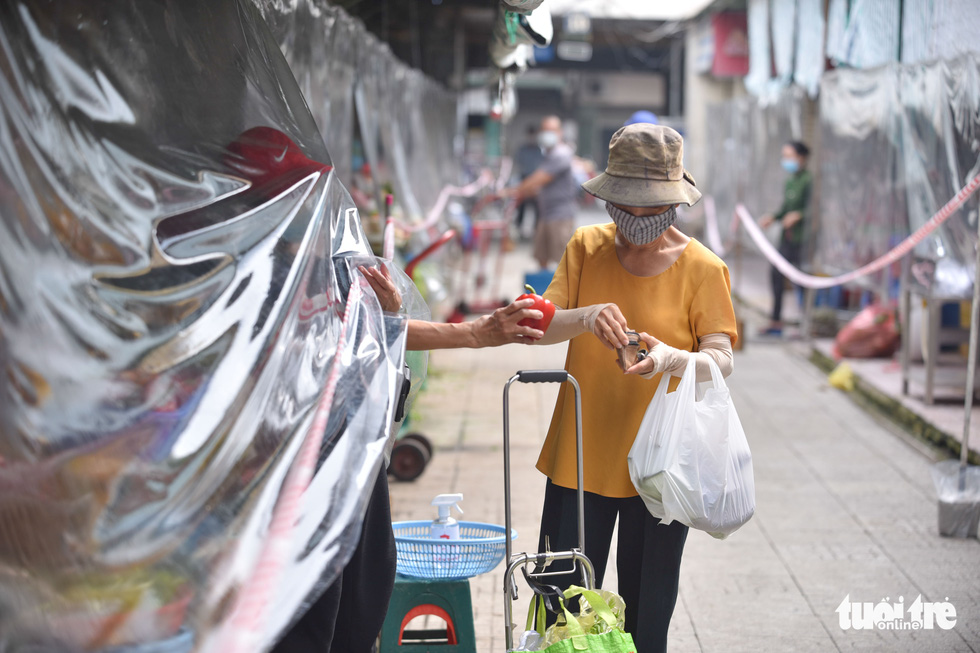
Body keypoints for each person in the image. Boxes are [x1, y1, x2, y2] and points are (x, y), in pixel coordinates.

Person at [526, 124, 738, 653]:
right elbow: (540, 327)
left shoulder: (703, 269)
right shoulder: (585, 247)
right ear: (607, 199)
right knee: (564, 606)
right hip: (580, 453)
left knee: (647, 611)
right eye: (626, 207)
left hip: (661, 466)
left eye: (652, 209)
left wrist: (670, 358)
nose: (638, 221)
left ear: (675, 203)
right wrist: (586, 317)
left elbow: (722, 359)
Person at [271, 271, 544, 653]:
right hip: (289, 449)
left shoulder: (334, 244)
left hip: (348, 437)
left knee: (366, 580)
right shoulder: (267, 257)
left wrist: (391, 313)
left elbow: (368, 326)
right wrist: (475, 333)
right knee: (312, 600)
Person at [504, 116, 579, 269]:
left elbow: (538, 179)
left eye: (551, 131)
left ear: (560, 132)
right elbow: (539, 185)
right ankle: (544, 292)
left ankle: (565, 293)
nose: (547, 134)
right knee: (541, 257)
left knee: (563, 262)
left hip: (560, 216)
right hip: (546, 214)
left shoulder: (561, 154)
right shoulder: (547, 154)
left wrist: (511, 191)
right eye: (544, 130)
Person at [758, 140, 812, 336]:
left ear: (801, 157)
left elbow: (814, 208)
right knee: (776, 275)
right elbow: (786, 209)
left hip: (803, 240)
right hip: (787, 237)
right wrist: (774, 217)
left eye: (789, 156)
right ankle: (776, 320)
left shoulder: (809, 180)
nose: (786, 160)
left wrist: (800, 215)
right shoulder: (791, 181)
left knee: (801, 279)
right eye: (785, 156)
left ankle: (806, 322)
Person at [514, 124, 545, 239]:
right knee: (521, 206)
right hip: (524, 180)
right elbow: (518, 164)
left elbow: (542, 168)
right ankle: (518, 229)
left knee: (537, 207)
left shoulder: (539, 150)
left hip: (536, 182)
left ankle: (536, 230)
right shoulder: (522, 149)